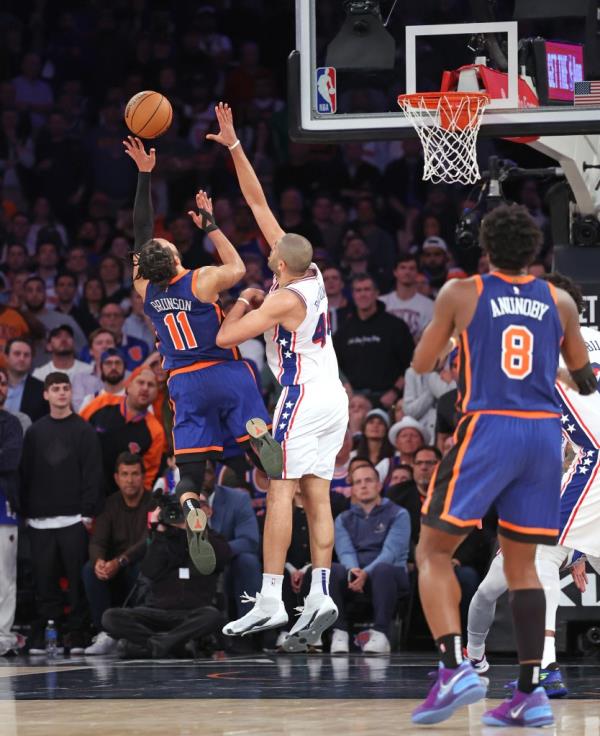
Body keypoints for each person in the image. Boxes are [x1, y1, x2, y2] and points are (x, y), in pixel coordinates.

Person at [409, 205, 593, 727]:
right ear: (535, 253)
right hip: (542, 437)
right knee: (524, 567)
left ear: (485, 250)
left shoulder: (461, 293)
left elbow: (422, 364)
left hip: (490, 427)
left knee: (432, 550)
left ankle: (454, 668)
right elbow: (584, 381)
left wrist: (455, 342)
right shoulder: (558, 301)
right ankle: (531, 692)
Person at [207, 102, 349, 649]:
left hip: (302, 395)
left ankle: (268, 599)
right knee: (318, 494)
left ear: (280, 265)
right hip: (332, 395)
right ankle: (320, 592)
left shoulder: (283, 299)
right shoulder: (307, 270)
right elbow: (258, 201)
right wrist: (235, 144)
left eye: (270, 255)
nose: (268, 251)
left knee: (278, 488)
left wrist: (243, 298)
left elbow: (225, 339)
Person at [122, 135, 277, 577]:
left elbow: (139, 231)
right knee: (252, 447)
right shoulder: (200, 281)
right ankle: (255, 435)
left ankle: (192, 505)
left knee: (189, 471)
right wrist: (210, 225)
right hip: (226, 372)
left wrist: (144, 175)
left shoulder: (145, 292)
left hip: (184, 383)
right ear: (173, 260)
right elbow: (238, 269)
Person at [466, 273, 600, 698]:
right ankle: (527, 664)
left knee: (539, 552)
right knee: (530, 560)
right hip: (572, 480)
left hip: (592, 462)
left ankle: (543, 668)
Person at [21, 372, 104, 654]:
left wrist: (87, 513)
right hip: (40, 520)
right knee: (43, 582)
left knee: (77, 581)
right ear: (45, 394)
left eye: (65, 388)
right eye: (55, 388)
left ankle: (78, 633)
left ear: (71, 393)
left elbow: (93, 474)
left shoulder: (84, 430)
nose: (61, 393)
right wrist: (26, 512)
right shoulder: (34, 432)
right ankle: (46, 632)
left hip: (73, 519)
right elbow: (26, 474)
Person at [101, 491, 230, 659]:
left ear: (206, 511)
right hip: (157, 612)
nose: (186, 513)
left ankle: (155, 646)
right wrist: (160, 530)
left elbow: (222, 558)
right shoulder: (162, 539)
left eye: (193, 507)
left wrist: (194, 529)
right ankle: (171, 645)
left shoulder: (213, 539)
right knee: (110, 617)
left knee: (212, 616)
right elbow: (150, 571)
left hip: (193, 614)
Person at [329, 463, 410, 654]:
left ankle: (381, 634)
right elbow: (345, 551)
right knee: (330, 569)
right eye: (358, 482)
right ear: (353, 489)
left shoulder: (399, 514)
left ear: (379, 485)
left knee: (383, 569)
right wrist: (354, 572)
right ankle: (339, 632)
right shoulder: (343, 518)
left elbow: (390, 552)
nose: (363, 486)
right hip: (356, 574)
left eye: (368, 480)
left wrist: (366, 573)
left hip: (389, 573)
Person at [83, 452, 154, 655]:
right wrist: (99, 562)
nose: (129, 480)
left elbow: (148, 541)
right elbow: (97, 540)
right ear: (116, 478)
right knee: (90, 570)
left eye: (134, 474)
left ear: (143, 476)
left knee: (141, 569)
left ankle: (134, 633)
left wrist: (120, 561)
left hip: (139, 564)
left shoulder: (153, 503)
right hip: (115, 568)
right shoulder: (110, 503)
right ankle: (105, 632)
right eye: (124, 474)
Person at [80, 367, 165, 495]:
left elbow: (147, 477)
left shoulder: (156, 431)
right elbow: (76, 436)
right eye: (140, 382)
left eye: (151, 385)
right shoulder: (101, 403)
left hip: (122, 502)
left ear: (156, 393)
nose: (145, 388)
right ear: (128, 386)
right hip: (84, 488)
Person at [334, 274, 414, 407]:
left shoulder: (396, 326)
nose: (363, 294)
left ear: (376, 293)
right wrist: (345, 388)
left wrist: (394, 392)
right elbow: (333, 365)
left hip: (388, 399)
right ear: (353, 295)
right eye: (358, 290)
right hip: (354, 401)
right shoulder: (344, 330)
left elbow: (411, 364)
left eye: (367, 289)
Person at [0, 366, 24, 656]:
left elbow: (10, 459)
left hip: (3, 508)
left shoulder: (11, 423)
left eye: (3, 384)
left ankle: (3, 635)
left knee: (3, 577)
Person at [380, 255, 434, 340]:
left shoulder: (429, 306)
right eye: (403, 268)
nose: (407, 272)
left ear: (417, 273)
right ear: (395, 272)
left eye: (411, 268)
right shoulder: (381, 302)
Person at [4, 337, 48, 421]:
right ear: (6, 357)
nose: (22, 359)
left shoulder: (42, 389)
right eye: (17, 354)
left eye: (26, 355)